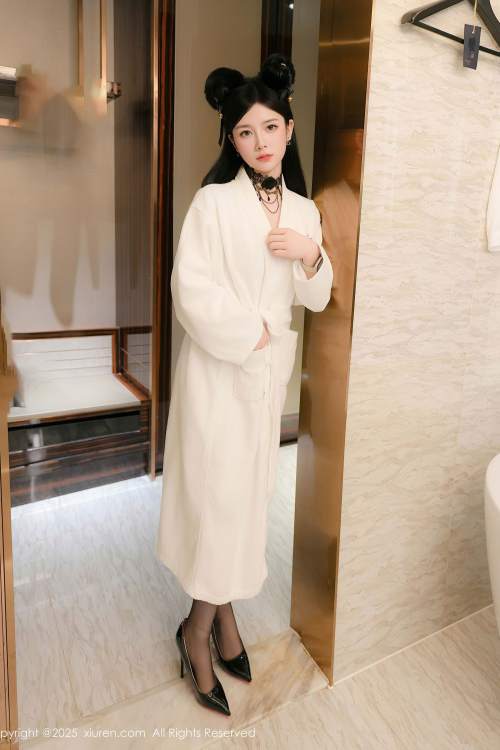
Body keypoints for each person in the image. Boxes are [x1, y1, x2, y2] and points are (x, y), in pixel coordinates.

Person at [155, 53, 334, 715]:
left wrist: (310, 255)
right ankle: (197, 630)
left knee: (246, 500)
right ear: (231, 140)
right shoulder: (212, 204)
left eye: (270, 128)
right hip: (218, 372)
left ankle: (222, 616)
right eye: (245, 132)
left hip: (262, 383)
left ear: (289, 129)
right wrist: (250, 334)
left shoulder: (306, 211)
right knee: (219, 500)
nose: (260, 142)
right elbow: (189, 289)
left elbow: (317, 297)